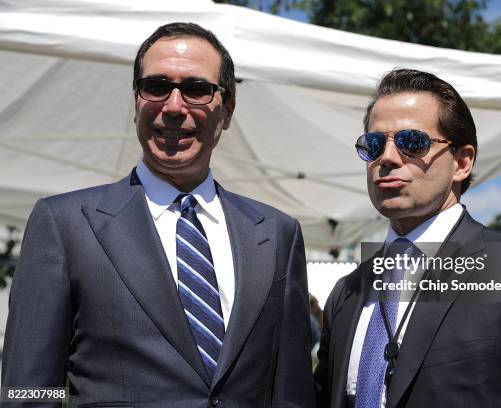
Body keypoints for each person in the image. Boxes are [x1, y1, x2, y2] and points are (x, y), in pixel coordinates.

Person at [2, 22, 314, 407]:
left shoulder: (277, 234)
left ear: (227, 109)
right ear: (137, 101)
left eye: (197, 89)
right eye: (157, 87)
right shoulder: (66, 224)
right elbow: (27, 390)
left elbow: (293, 393)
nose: (174, 107)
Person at [313, 68, 501, 407]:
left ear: (462, 162)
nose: (388, 158)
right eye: (374, 144)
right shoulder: (347, 294)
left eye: (413, 142)